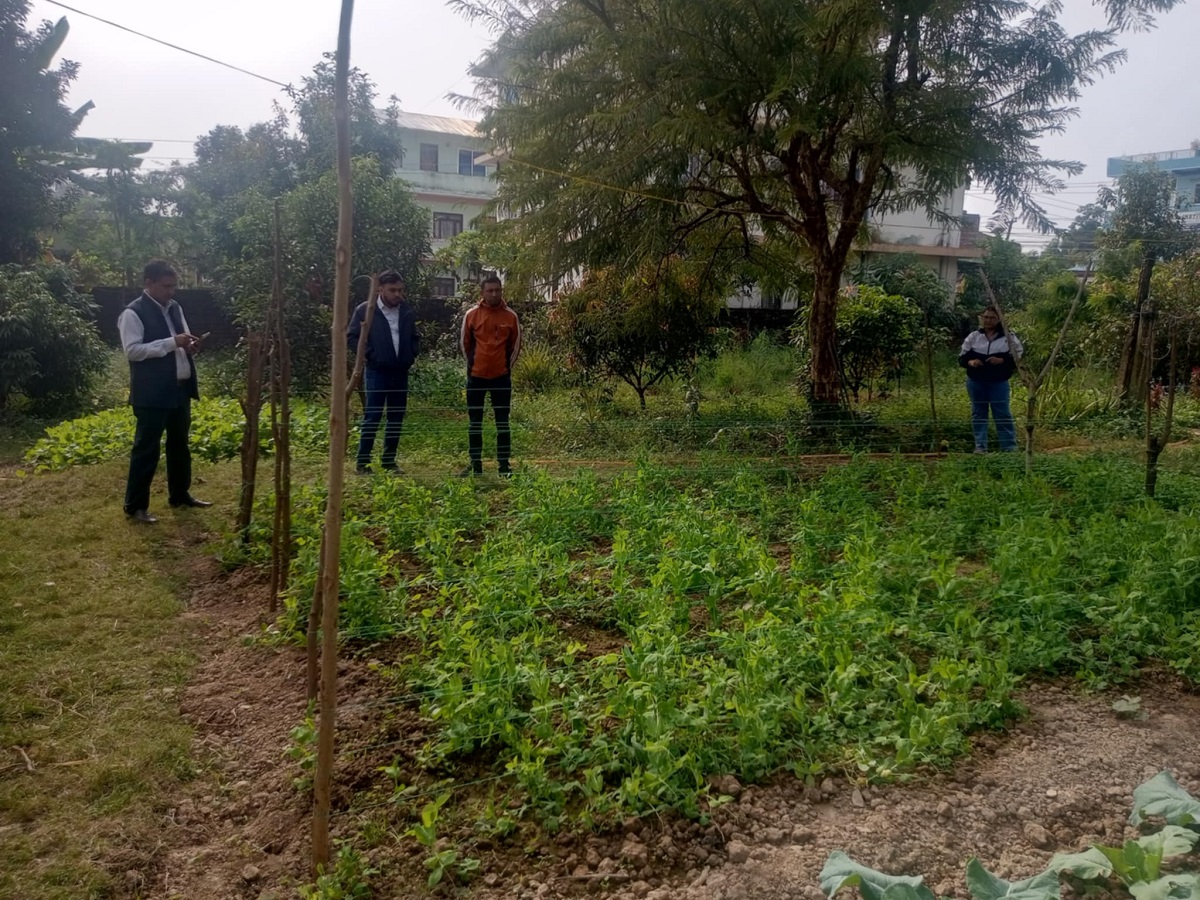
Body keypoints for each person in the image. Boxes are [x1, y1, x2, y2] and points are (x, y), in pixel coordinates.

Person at [120, 260, 211, 524]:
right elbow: (133, 351)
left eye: (174, 286)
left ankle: (180, 494)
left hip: (179, 389)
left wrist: (189, 345)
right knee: (146, 449)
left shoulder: (175, 308)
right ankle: (135, 506)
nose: (171, 291)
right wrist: (173, 343)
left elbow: (180, 339)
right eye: (166, 286)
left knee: (179, 445)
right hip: (151, 393)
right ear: (148, 284)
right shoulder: (132, 313)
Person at [347, 270, 419, 473]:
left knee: (396, 417)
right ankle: (363, 463)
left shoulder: (405, 310)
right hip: (377, 372)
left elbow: (415, 337)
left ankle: (389, 461)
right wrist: (371, 355)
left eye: (400, 290)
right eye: (392, 290)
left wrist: (411, 355)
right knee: (373, 416)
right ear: (380, 290)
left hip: (400, 372)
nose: (397, 294)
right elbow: (352, 337)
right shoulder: (365, 311)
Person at [460, 274, 522, 476]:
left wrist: (505, 367)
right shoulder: (471, 315)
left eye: (498, 290)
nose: (494, 294)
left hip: (501, 378)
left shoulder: (511, 316)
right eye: (490, 290)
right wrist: (472, 367)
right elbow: (465, 344)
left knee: (502, 422)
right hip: (476, 377)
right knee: (474, 422)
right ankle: (475, 464)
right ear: (482, 293)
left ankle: (504, 466)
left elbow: (515, 346)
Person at [959, 305, 1024, 454]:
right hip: (976, 382)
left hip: (999, 382)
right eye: (985, 317)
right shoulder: (974, 336)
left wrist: (1001, 361)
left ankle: (1009, 448)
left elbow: (1017, 357)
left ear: (999, 319)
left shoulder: (1009, 337)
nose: (988, 320)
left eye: (992, 318)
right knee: (978, 413)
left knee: (1002, 413)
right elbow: (962, 358)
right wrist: (971, 362)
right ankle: (980, 447)